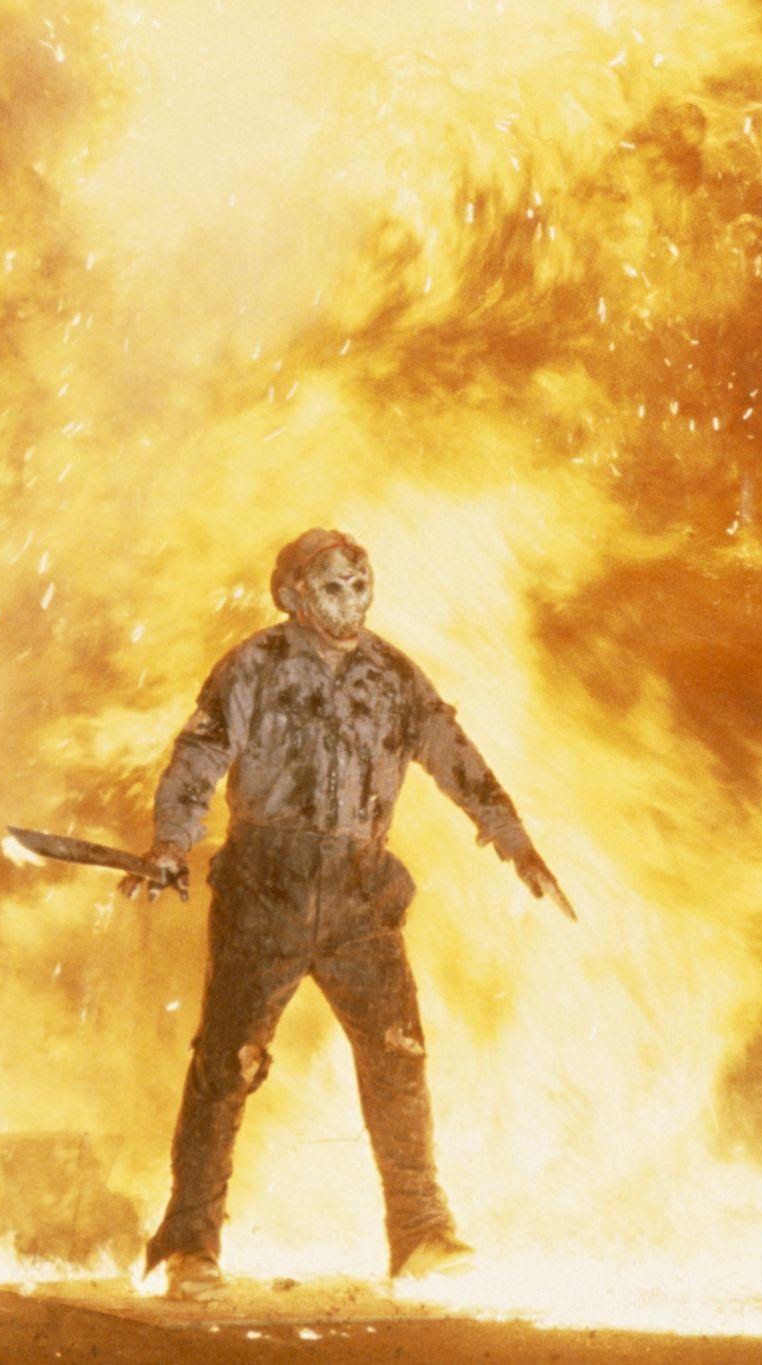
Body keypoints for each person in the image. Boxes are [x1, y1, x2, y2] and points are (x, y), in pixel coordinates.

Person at [123, 527, 570, 1300]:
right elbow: (198, 756)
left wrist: (513, 839)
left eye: (361, 585)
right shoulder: (253, 667)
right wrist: (172, 840)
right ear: (292, 594)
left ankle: (421, 1232)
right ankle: (188, 1245)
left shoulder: (393, 675)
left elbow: (453, 754)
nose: (351, 602)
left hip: (361, 894)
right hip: (264, 889)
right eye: (333, 587)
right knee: (227, 1064)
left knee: (398, 1057)